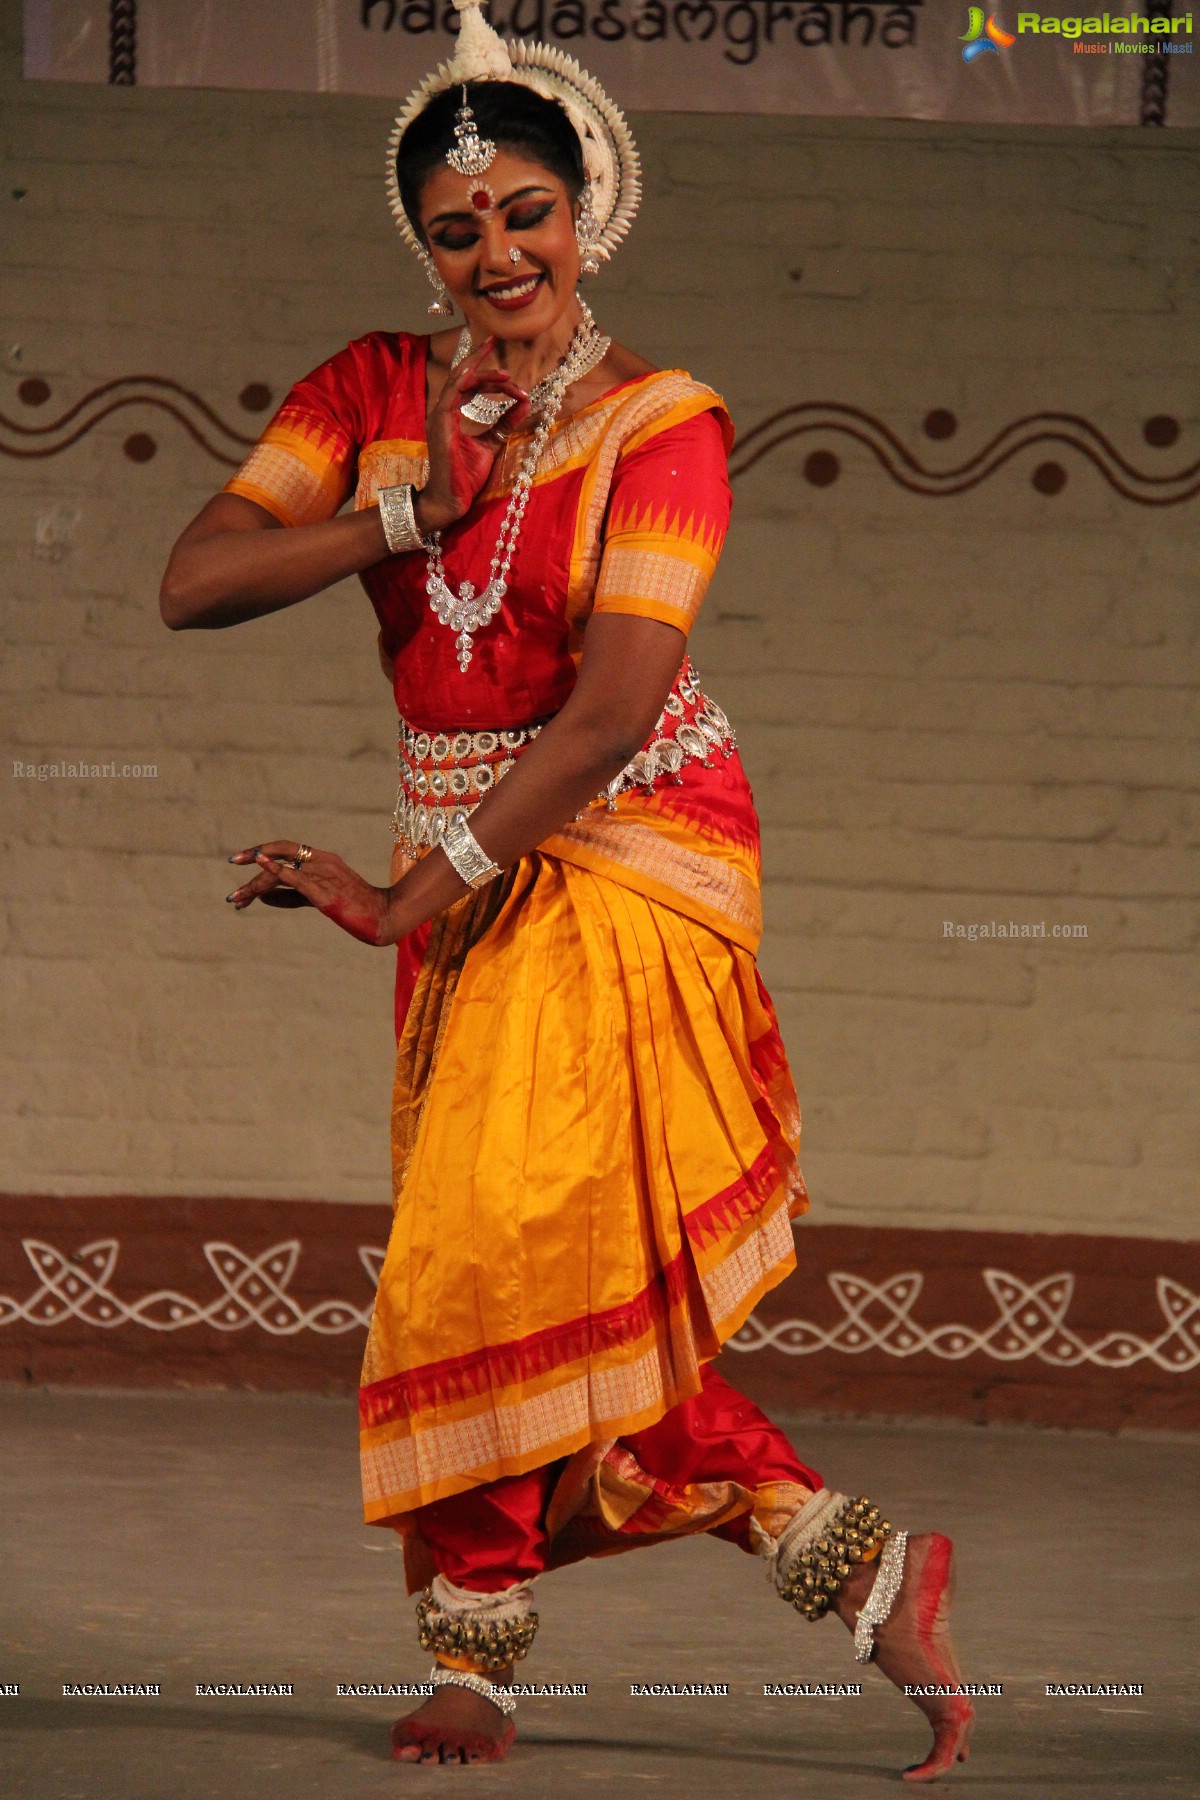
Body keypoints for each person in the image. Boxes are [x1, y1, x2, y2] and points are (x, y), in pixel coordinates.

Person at [159, 0, 973, 1778]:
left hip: (622, 845)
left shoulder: (662, 421)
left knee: (478, 1254)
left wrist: (408, 895)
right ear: (425, 247)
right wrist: (404, 514)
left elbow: (607, 711)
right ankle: (853, 1563)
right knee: (535, 1268)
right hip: (461, 854)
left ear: (585, 210)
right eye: (458, 227)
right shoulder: (375, 394)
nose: (496, 250)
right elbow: (194, 580)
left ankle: (485, 1658)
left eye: (527, 210)